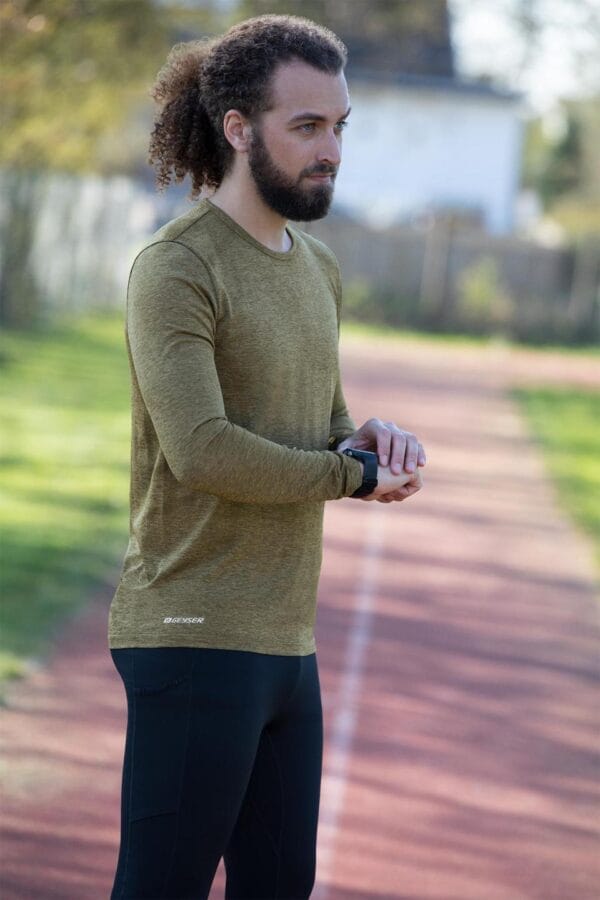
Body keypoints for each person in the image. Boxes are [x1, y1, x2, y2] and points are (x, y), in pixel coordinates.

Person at [107, 13, 425, 900]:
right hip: (194, 630)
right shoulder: (178, 268)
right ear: (239, 129)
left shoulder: (315, 266)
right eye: (308, 126)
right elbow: (202, 449)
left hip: (287, 642)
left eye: (340, 126)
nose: (332, 150)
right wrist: (349, 476)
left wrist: (364, 441)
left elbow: (321, 423)